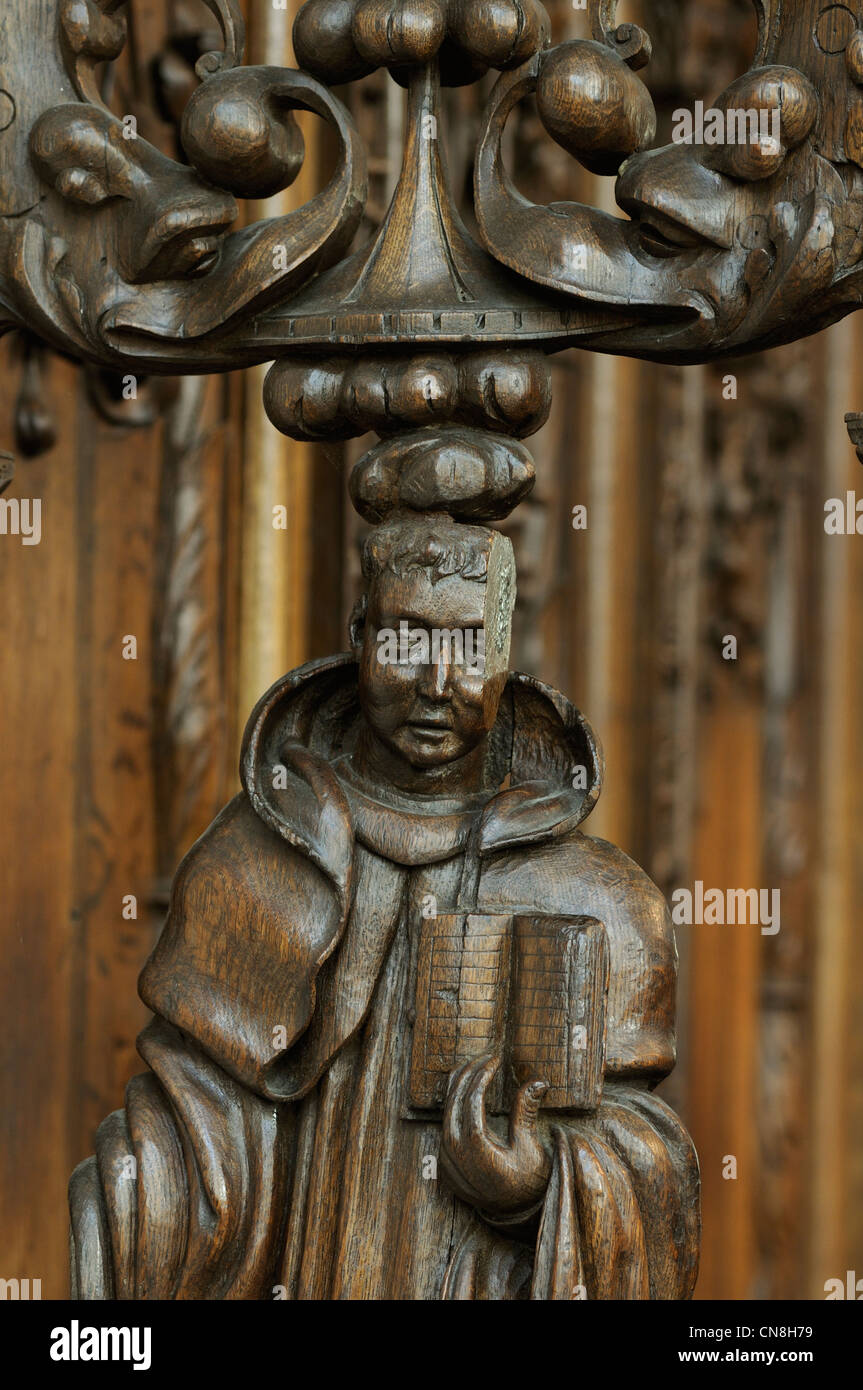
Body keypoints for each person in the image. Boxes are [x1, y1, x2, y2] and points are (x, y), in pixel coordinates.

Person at [70, 512, 699, 1300]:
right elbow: (193, 1123)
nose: (436, 683)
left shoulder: (592, 894)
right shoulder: (259, 857)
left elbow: (652, 1166)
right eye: (405, 639)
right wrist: (137, 1190)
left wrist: (539, 1181)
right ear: (360, 636)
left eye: (469, 648)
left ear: (505, 660)